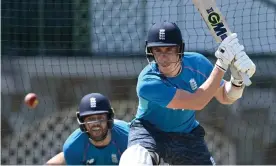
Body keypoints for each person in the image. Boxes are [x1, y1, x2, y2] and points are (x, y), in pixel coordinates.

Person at [119, 21, 256, 165]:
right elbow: (197, 102)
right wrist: (221, 64)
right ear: (150, 51)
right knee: (135, 160)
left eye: (169, 50)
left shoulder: (197, 63)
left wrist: (237, 81)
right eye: (158, 50)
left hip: (186, 135)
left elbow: (225, 96)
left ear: (180, 49)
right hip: (150, 132)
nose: (163, 58)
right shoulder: (147, 82)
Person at [46, 93, 129, 165]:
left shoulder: (128, 137)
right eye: (90, 119)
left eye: (100, 118)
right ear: (82, 122)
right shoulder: (73, 147)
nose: (96, 124)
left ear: (109, 118)